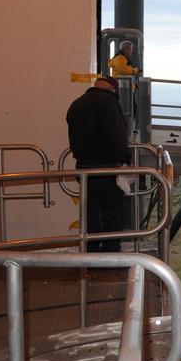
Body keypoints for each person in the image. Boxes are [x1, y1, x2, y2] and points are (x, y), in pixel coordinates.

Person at [66, 75, 132, 251]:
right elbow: (117, 135)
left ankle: (92, 254)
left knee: (91, 215)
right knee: (113, 214)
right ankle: (110, 255)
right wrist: (127, 158)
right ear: (113, 89)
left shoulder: (76, 104)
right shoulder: (110, 104)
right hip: (107, 169)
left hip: (83, 169)